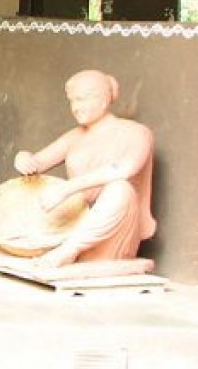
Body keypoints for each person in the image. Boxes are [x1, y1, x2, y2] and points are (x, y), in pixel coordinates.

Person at [13, 69, 156, 268]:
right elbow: (37, 163)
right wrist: (23, 158)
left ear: (103, 100)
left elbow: (122, 169)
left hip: (114, 230)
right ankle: (66, 248)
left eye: (81, 100)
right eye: (72, 101)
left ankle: (68, 251)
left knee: (120, 188)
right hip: (76, 222)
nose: (75, 108)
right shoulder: (75, 137)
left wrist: (67, 189)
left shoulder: (136, 132)